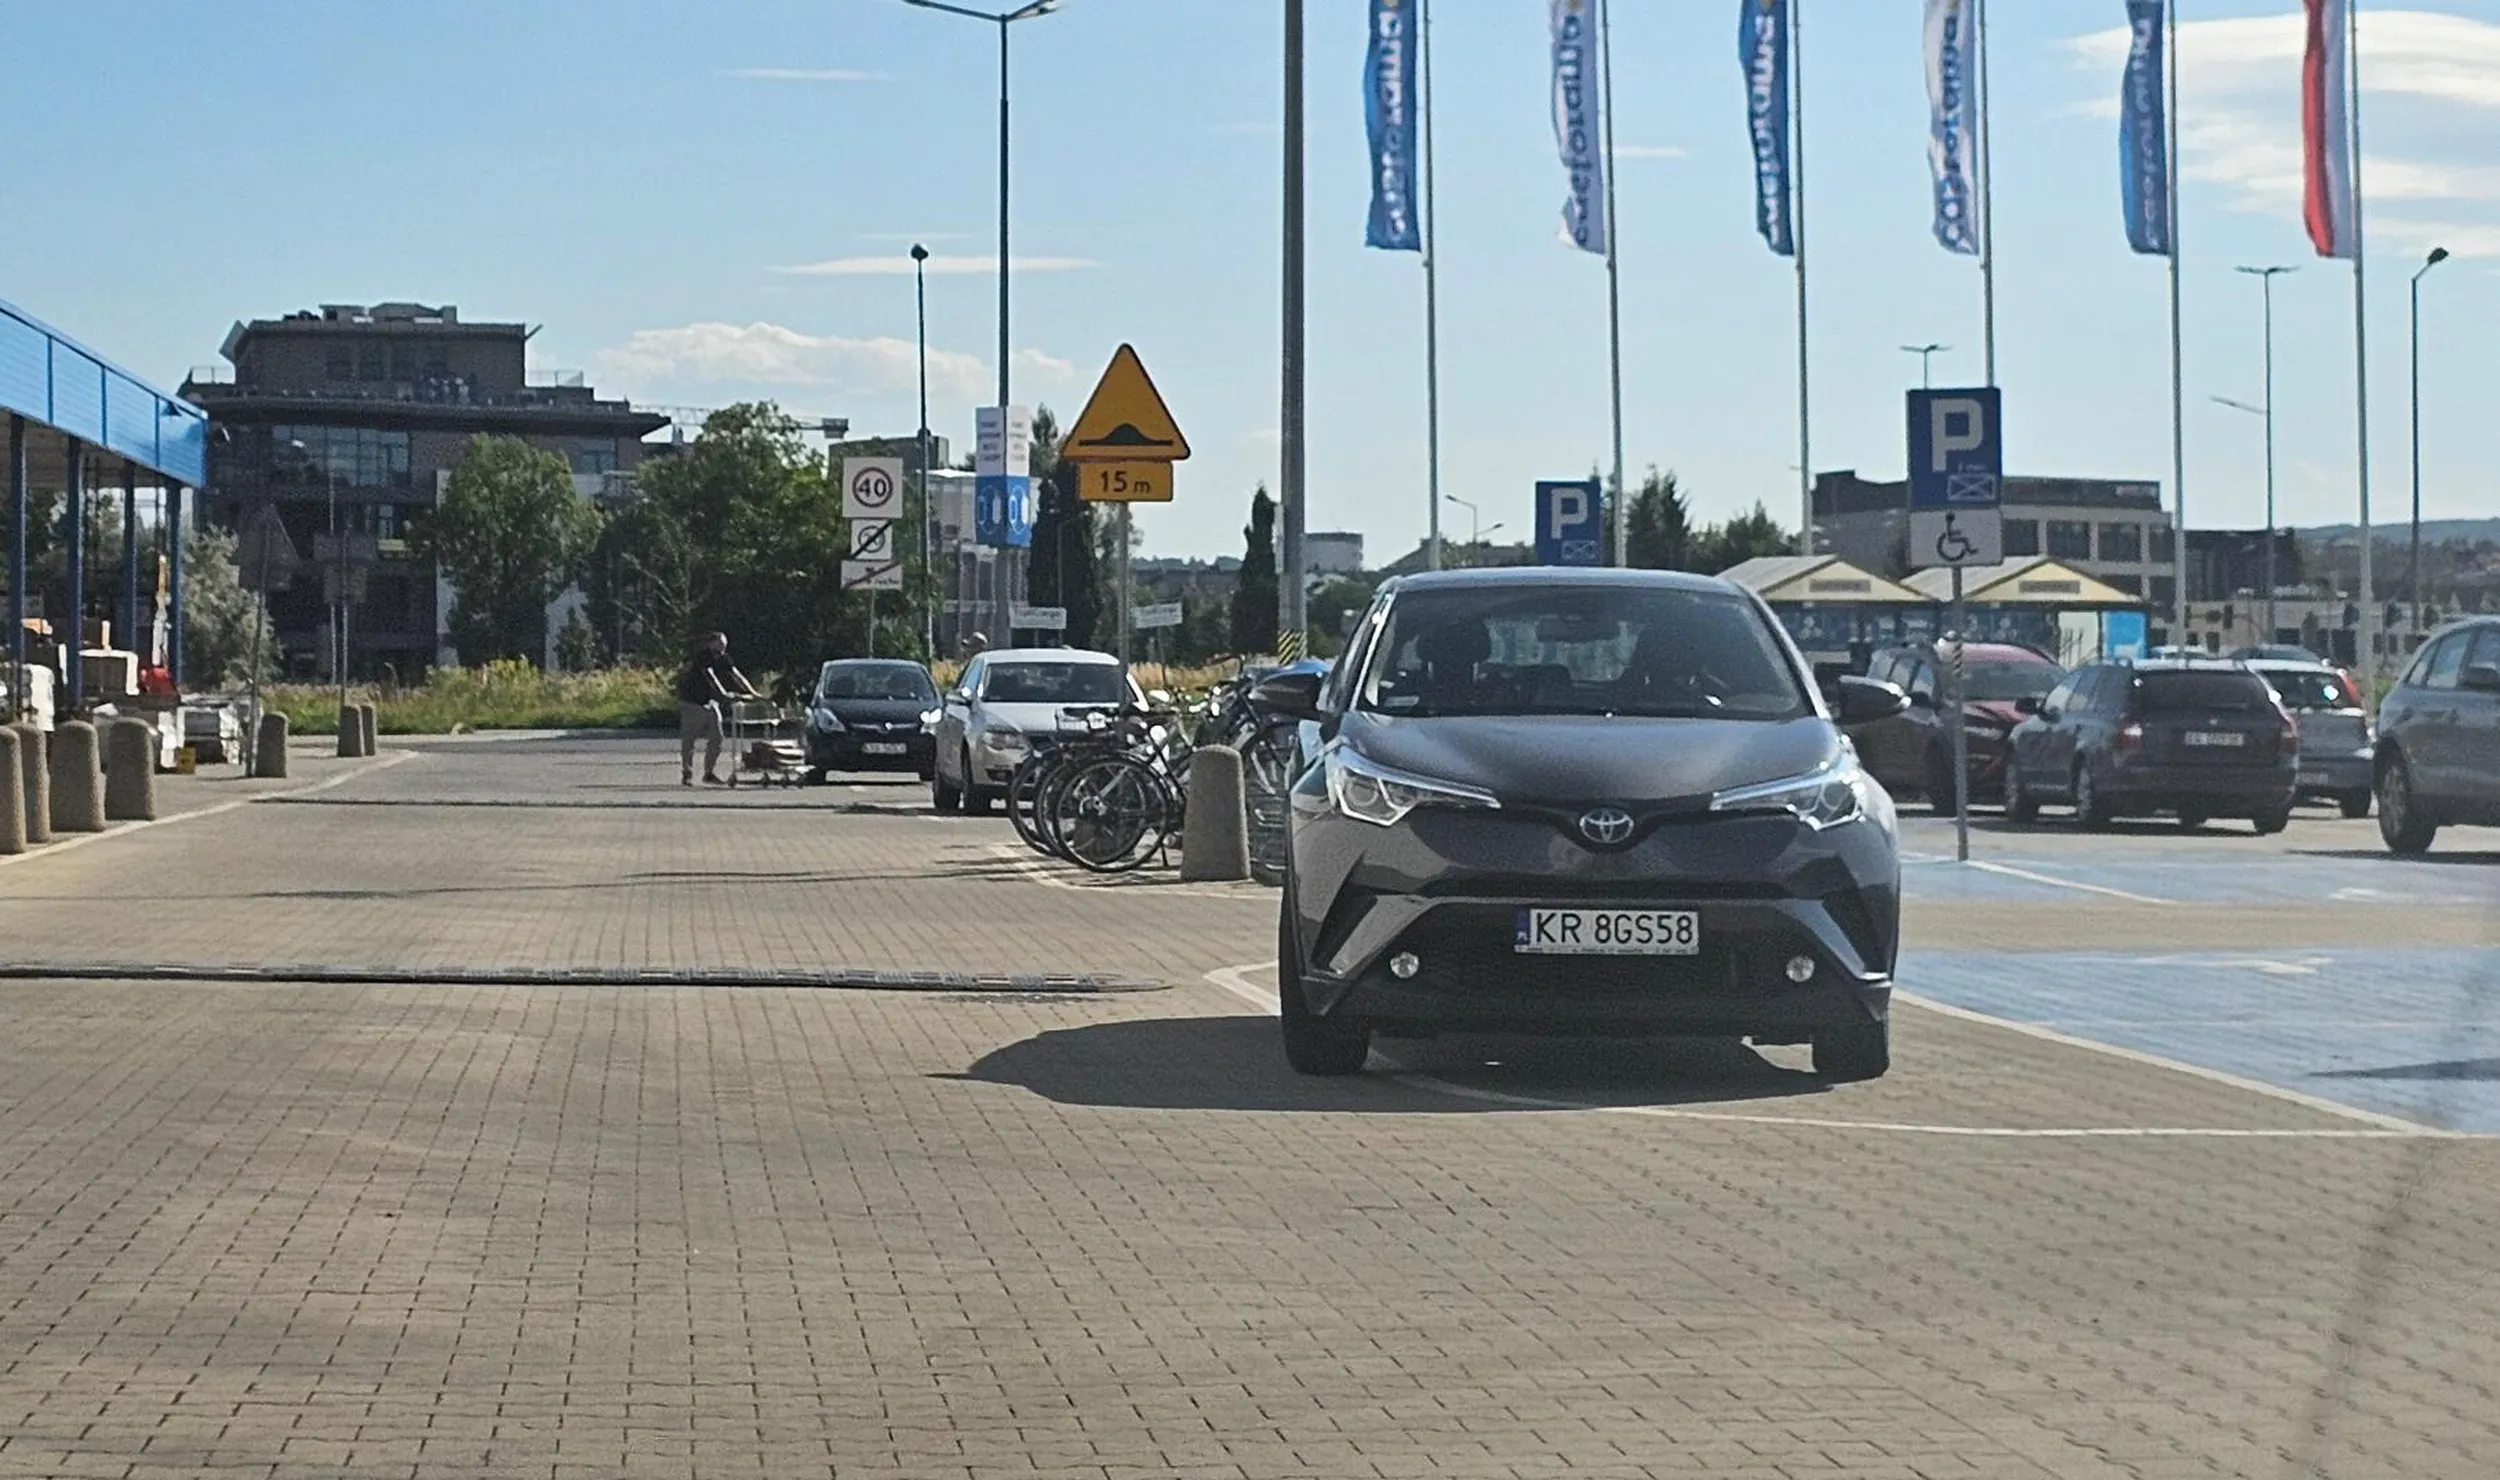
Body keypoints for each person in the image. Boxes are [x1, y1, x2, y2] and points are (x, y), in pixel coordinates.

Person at [676, 632, 758, 786]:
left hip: (711, 702)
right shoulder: (703, 657)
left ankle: (708, 773)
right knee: (689, 740)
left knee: (717, 738)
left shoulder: (724, 658)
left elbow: (736, 675)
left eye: (724, 645)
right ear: (710, 643)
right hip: (692, 702)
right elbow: (711, 678)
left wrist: (752, 693)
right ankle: (687, 772)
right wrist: (724, 695)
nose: (722, 649)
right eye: (719, 644)